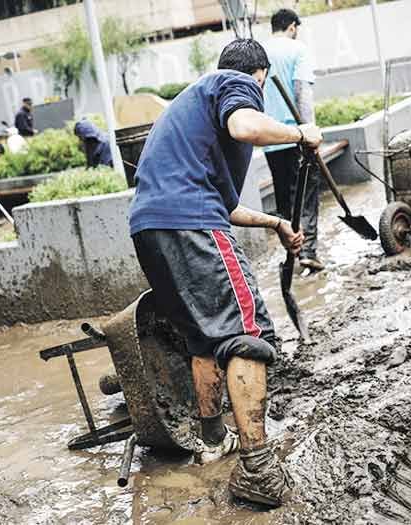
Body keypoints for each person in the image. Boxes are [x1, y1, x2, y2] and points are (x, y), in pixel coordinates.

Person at [129, 39, 323, 507]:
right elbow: (244, 126)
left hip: (150, 229)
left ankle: (213, 440)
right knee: (247, 330)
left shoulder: (192, 111)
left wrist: (276, 222)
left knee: (203, 339)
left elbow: (227, 204)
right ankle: (258, 468)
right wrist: (301, 133)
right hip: (191, 224)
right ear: (259, 75)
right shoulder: (235, 84)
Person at [263, 8, 323, 271]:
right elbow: (302, 92)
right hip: (296, 136)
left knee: (285, 200)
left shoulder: (260, 52)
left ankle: (292, 252)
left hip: (269, 138)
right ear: (292, 27)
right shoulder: (297, 49)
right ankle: (307, 251)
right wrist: (309, 132)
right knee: (306, 194)